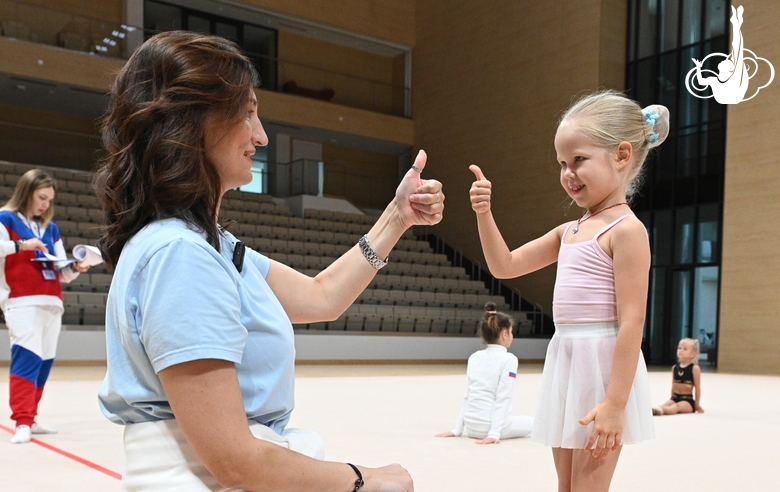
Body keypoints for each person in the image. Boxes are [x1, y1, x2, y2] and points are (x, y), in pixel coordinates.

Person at [94, 31, 443, 492]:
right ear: (194, 122)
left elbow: (323, 298)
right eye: (247, 112)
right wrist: (363, 479)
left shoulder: (205, 244)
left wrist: (396, 218)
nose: (260, 135)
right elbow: (237, 462)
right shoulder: (180, 255)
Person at [468, 90, 668, 491]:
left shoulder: (626, 231)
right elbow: (504, 265)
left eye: (579, 160)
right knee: (566, 487)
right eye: (562, 163)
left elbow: (632, 322)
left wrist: (614, 405)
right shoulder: (569, 231)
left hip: (602, 368)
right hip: (566, 361)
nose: (568, 173)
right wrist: (484, 214)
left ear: (622, 155)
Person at [0, 169, 90, 444]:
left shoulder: (51, 229)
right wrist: (22, 245)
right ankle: (22, 422)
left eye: (49, 200)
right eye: (41, 197)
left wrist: (75, 267)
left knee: (44, 363)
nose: (45, 205)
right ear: (26, 193)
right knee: (27, 359)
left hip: (52, 300)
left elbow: (60, 269)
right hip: (21, 300)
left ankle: (31, 418)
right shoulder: (5, 218)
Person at [435, 302, 533, 444]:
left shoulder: (474, 357)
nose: (512, 335)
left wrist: (457, 429)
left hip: (471, 427)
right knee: (538, 424)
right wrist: (494, 433)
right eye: (511, 331)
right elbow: (503, 397)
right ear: (504, 334)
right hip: (491, 427)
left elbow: (468, 396)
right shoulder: (509, 359)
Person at [652, 338, 704, 416]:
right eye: (679, 348)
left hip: (687, 401)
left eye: (685, 349)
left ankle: (662, 410)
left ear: (692, 354)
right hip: (675, 397)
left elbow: (697, 388)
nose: (681, 350)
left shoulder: (694, 368)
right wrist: (671, 398)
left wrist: (697, 405)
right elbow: (673, 385)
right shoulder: (675, 368)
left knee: (676, 407)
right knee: (667, 404)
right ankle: (657, 409)